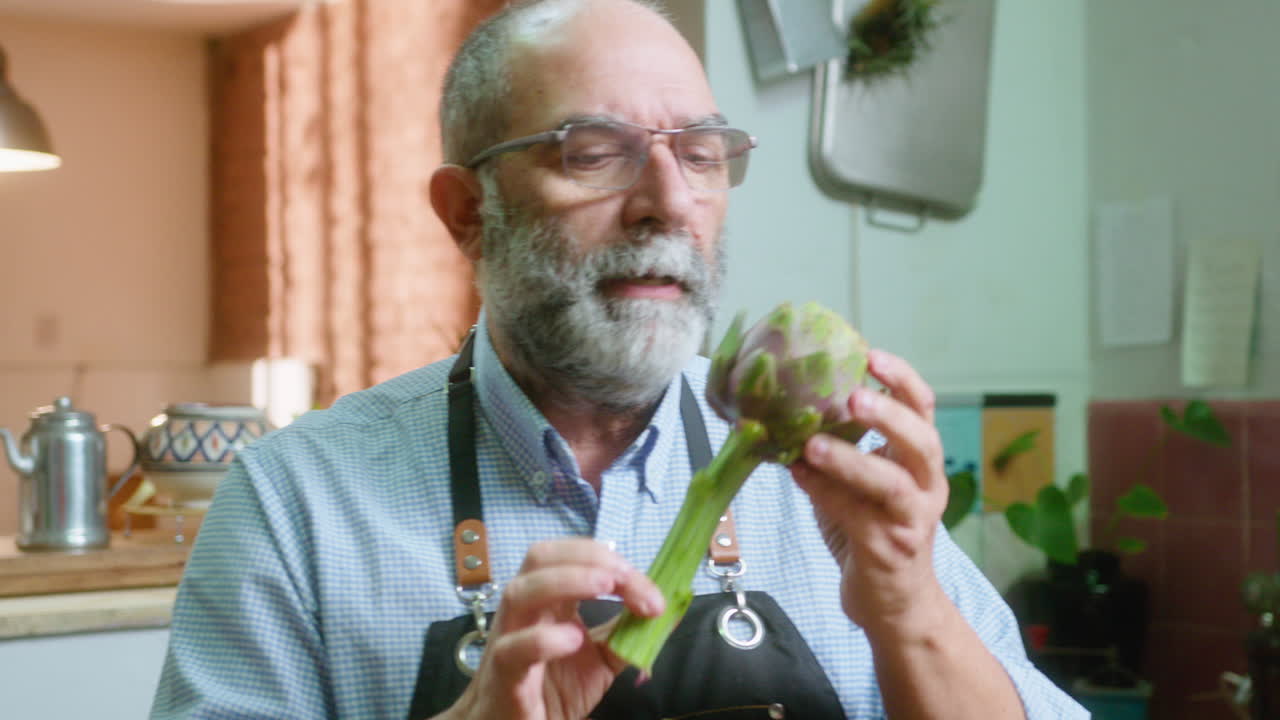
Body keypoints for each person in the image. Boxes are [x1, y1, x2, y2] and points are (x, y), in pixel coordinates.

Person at [151, 0, 1087, 718]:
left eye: (703, 154)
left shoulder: (836, 482)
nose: (669, 202)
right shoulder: (297, 504)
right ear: (468, 214)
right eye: (594, 153)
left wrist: (910, 608)